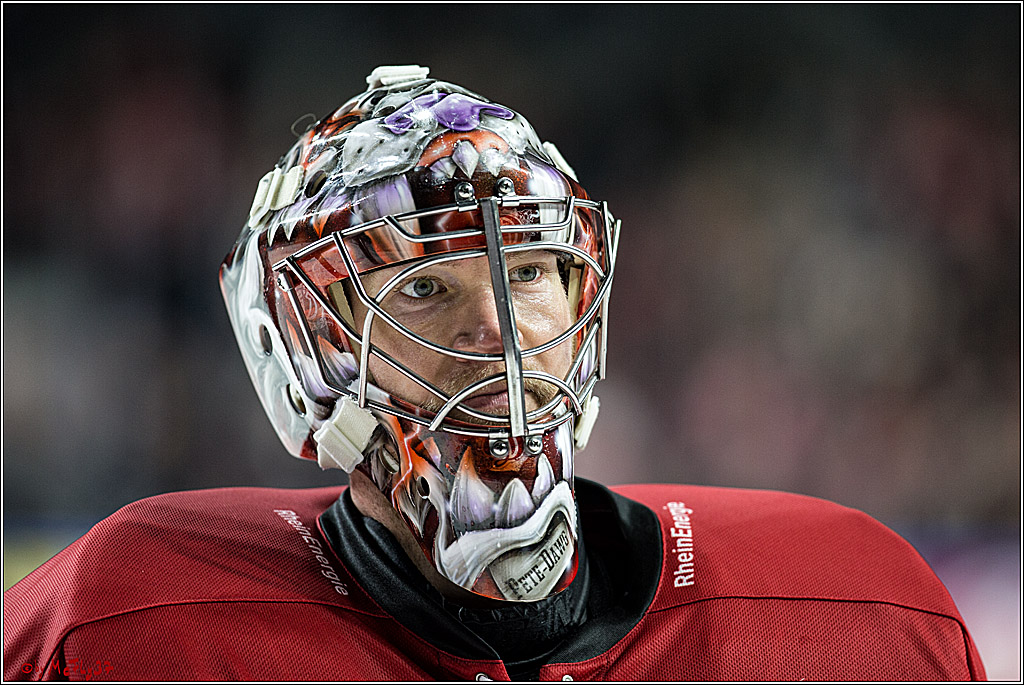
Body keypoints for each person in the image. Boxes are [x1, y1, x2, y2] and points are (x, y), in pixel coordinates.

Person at [4, 65, 986, 682]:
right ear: (308, 344)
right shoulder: (133, 634)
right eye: (426, 289)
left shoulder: (861, 616)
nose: (499, 331)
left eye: (526, 274)